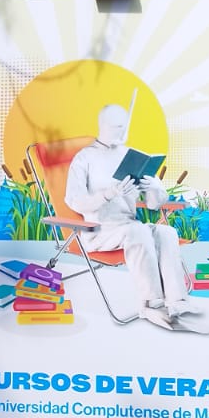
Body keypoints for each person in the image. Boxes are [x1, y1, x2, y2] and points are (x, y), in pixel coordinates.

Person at [64, 102, 193, 328]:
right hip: (98, 230)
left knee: (166, 232)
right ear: (102, 125)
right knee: (138, 231)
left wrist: (154, 188)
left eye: (124, 126)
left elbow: (154, 205)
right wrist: (108, 194)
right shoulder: (84, 158)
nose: (122, 132)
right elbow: (75, 201)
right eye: (116, 127)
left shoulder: (131, 156)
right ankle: (151, 304)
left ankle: (177, 300)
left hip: (130, 227)